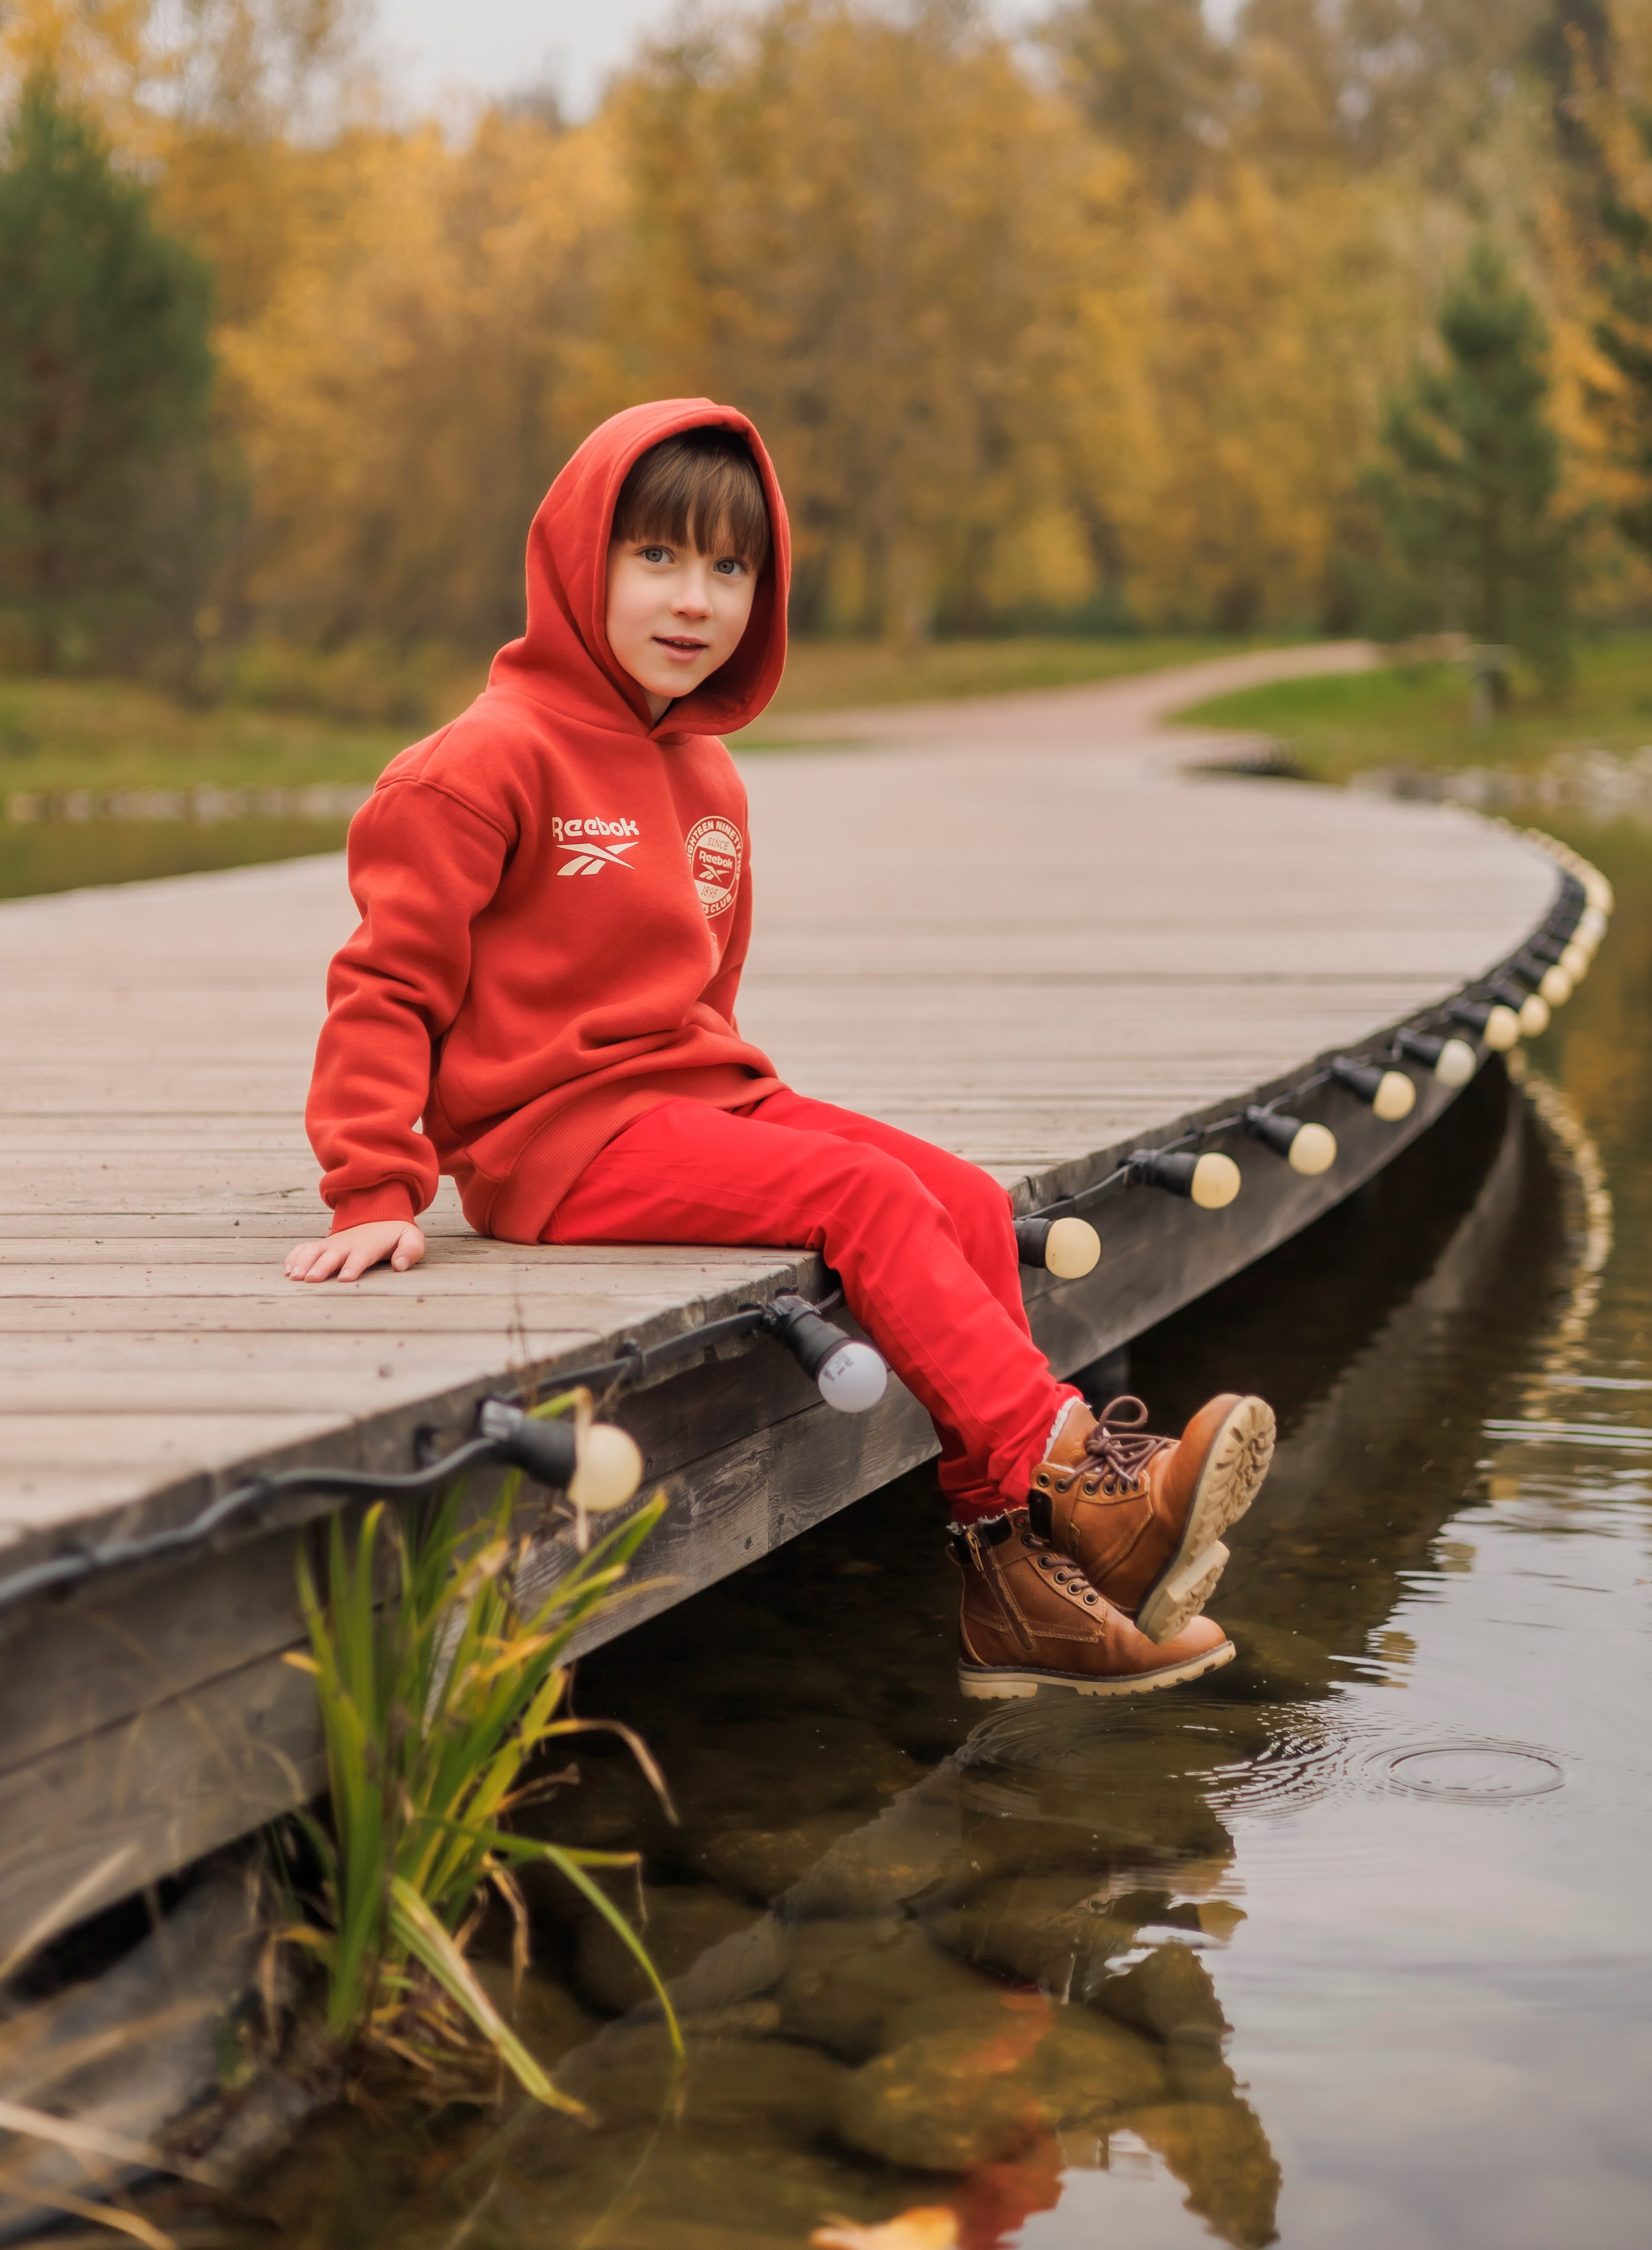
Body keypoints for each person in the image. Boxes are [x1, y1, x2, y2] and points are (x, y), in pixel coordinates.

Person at [286, 399, 1276, 1696]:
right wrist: (374, 1179)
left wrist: (737, 1116)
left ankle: (1010, 1587)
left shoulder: (710, 781)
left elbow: (707, 984)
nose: (695, 598)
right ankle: (1082, 1478)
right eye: (657, 557)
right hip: (554, 1146)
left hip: (695, 1100)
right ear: (579, 560)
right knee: (857, 1193)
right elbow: (385, 984)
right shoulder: (476, 765)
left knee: (965, 1199)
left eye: (730, 567)